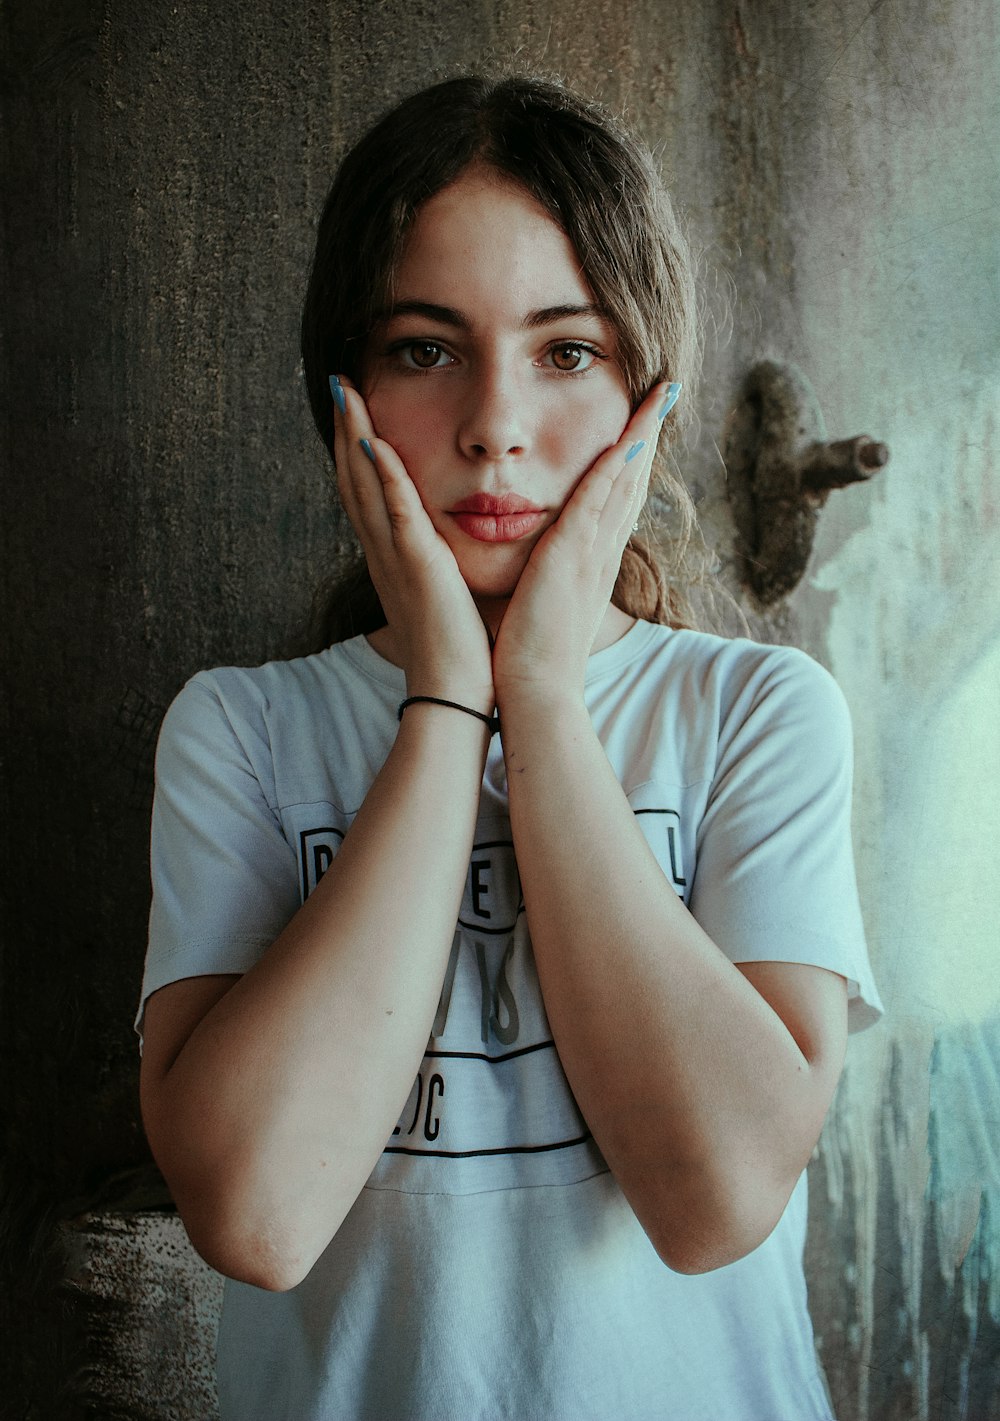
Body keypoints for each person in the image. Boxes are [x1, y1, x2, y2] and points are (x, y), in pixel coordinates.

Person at [136, 71, 883, 1421]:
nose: (494, 422)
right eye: (425, 347)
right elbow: (259, 1215)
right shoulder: (239, 732)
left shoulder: (759, 718)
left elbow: (714, 1199)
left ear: (647, 401)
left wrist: (539, 694)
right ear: (342, 395)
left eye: (566, 351)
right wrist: (446, 704)